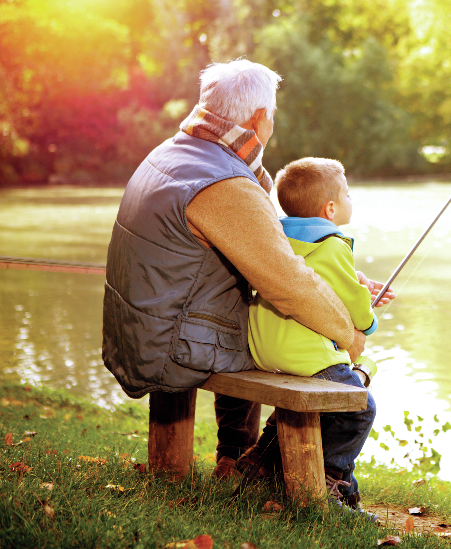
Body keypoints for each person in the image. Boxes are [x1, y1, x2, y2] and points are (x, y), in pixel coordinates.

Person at [101, 59, 393, 479]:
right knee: (299, 349)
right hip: (169, 346)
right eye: (272, 115)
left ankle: (235, 457)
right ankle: (264, 465)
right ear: (260, 118)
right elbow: (289, 283)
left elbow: (271, 254)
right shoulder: (226, 184)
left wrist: (351, 283)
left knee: (265, 321)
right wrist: (348, 332)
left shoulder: (171, 154)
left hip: (139, 329)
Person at [243, 157, 377, 509]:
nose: (351, 199)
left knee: (310, 404)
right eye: (347, 194)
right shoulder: (333, 243)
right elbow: (353, 305)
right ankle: (329, 480)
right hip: (303, 354)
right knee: (360, 408)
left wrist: (356, 279)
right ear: (330, 208)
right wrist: (369, 320)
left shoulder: (276, 236)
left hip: (263, 347)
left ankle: (260, 462)